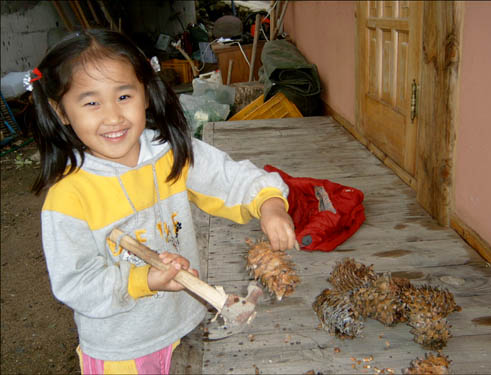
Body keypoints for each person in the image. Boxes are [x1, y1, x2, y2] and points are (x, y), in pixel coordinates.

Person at [28, 29, 296, 374]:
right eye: (91, 102)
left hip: (185, 321)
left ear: (146, 93)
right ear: (61, 111)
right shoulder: (69, 196)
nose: (113, 117)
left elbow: (228, 177)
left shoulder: (170, 153)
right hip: (123, 349)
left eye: (124, 96)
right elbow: (75, 283)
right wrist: (145, 280)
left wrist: (269, 204)